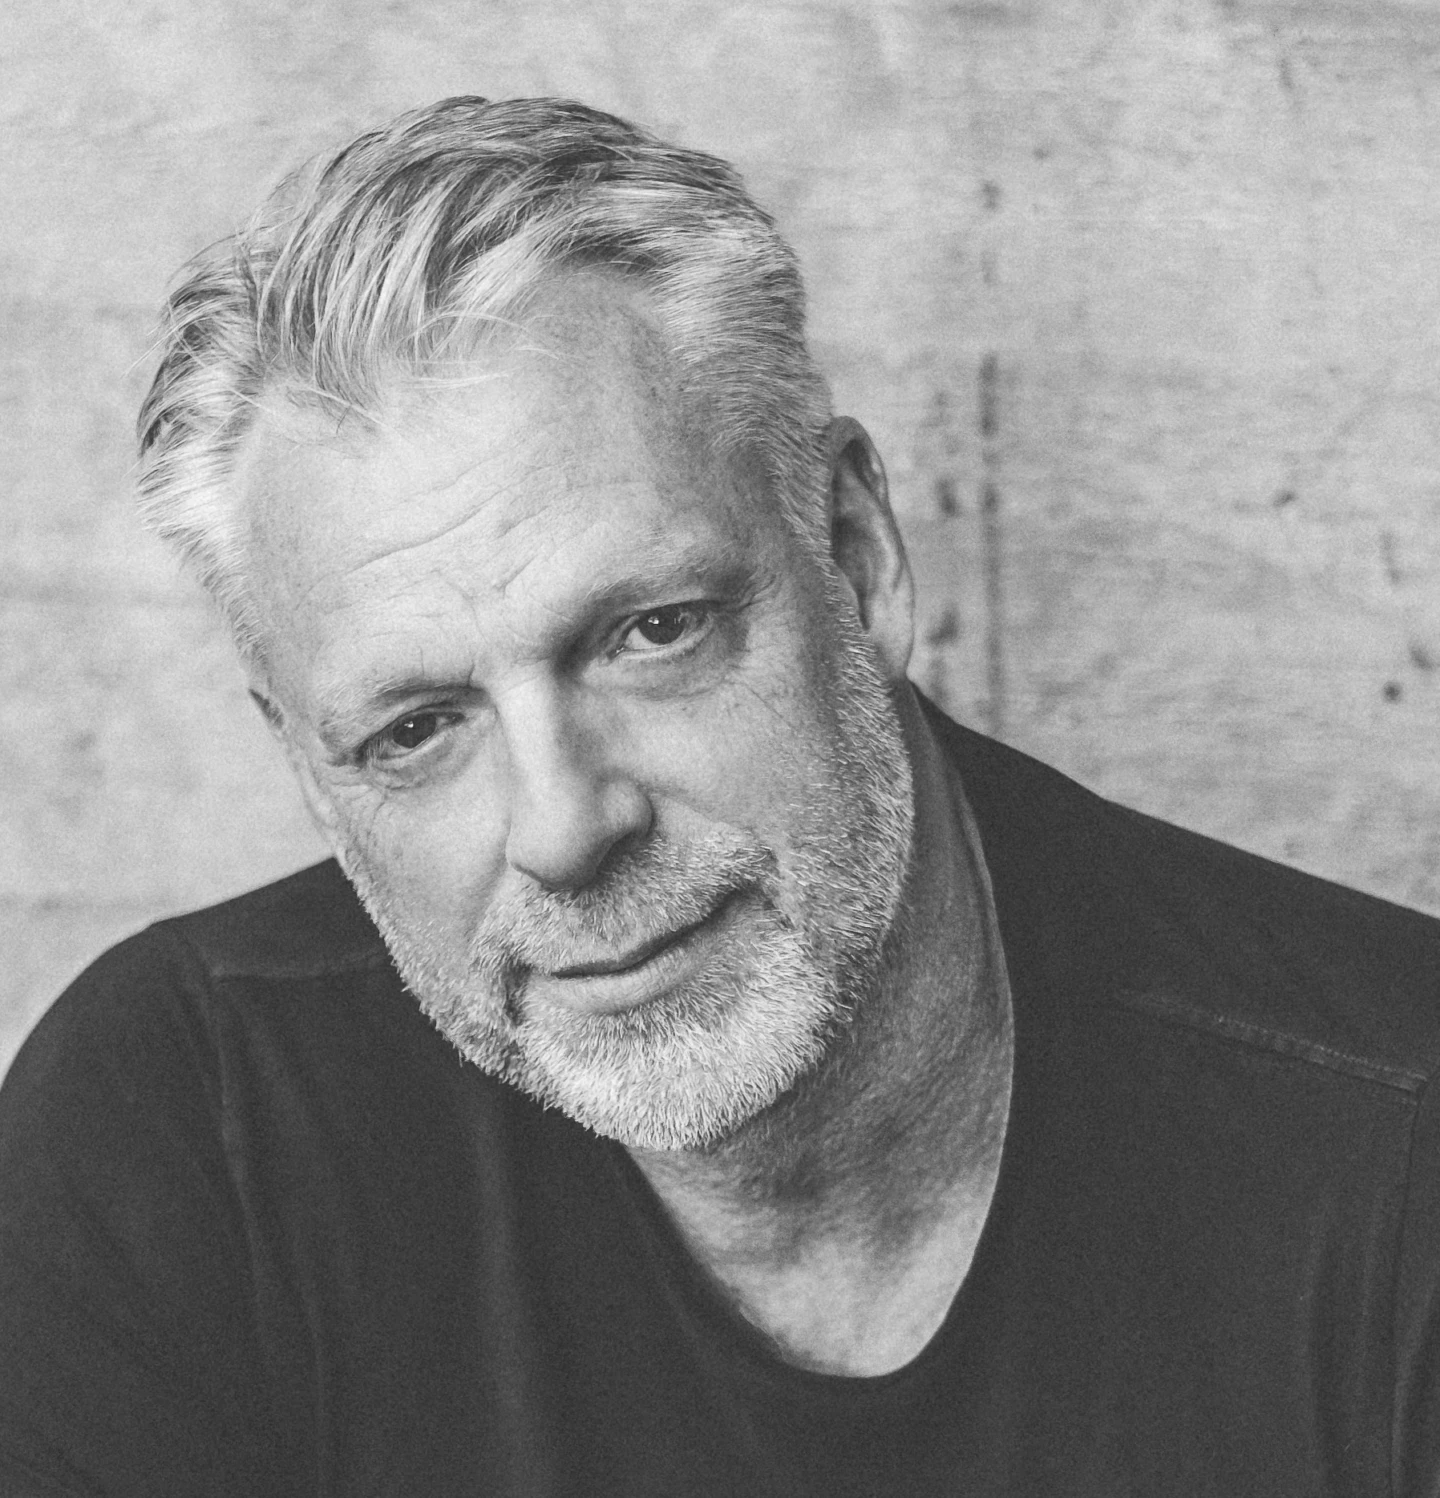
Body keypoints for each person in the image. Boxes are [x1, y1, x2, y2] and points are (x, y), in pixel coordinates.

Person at [1, 95, 1437, 1498]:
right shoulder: (183, 1135)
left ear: (856, 555)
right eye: (419, 728)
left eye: (651, 633)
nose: (564, 828)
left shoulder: (1393, 1159)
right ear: (310, 770)